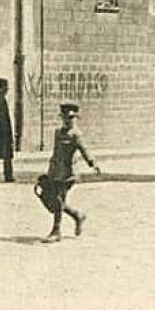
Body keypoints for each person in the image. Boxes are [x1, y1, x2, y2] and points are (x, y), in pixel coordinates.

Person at [41, 103, 100, 243]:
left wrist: (93, 163)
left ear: (75, 118)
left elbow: (84, 150)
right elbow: (56, 154)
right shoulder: (58, 132)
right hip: (55, 171)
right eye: (66, 118)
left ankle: (56, 231)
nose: (69, 121)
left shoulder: (76, 135)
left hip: (68, 173)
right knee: (56, 200)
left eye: (71, 118)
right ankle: (77, 215)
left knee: (59, 200)